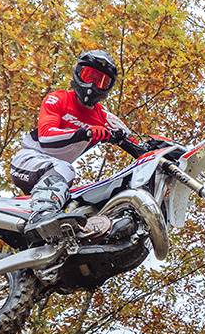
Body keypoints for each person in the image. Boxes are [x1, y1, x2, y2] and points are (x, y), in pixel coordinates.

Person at [10, 49, 129, 244]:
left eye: (100, 81)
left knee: (87, 197)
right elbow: (46, 135)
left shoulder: (105, 117)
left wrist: (162, 148)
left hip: (56, 177)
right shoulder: (58, 98)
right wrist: (83, 133)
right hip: (28, 160)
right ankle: (42, 216)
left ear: (108, 87)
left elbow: (135, 141)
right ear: (78, 72)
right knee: (65, 169)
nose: (92, 85)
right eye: (89, 76)